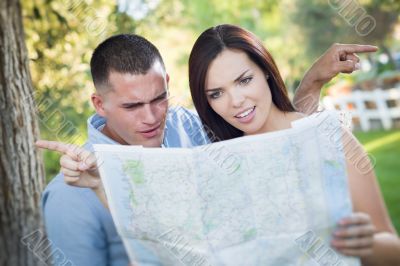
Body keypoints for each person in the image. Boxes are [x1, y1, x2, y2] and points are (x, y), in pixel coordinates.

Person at [36, 32, 379, 265]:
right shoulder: (69, 196)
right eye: (131, 106)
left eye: (159, 99)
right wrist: (101, 185)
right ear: (99, 103)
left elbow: (272, 136)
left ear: (168, 85)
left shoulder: (192, 127)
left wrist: (311, 84)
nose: (151, 117)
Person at [187, 24, 400, 265]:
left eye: (245, 80)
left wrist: (367, 245)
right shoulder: (219, 166)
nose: (236, 101)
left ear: (266, 70)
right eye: (216, 93)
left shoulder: (329, 137)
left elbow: (394, 250)